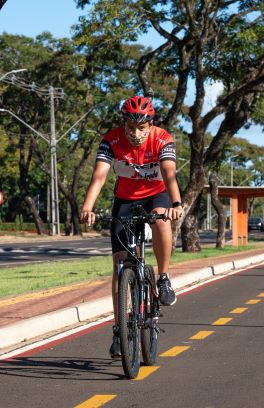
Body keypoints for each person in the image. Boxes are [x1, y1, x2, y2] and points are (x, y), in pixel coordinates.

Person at [81, 95, 184, 359]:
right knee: (119, 265)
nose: (136, 133)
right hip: (125, 200)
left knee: (161, 217)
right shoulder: (111, 140)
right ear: (123, 123)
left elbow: (170, 173)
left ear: (151, 124)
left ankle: (162, 278)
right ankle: (119, 330)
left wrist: (176, 202)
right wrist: (88, 206)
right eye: (131, 127)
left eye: (142, 127)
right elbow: (99, 176)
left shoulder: (162, 139)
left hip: (156, 195)